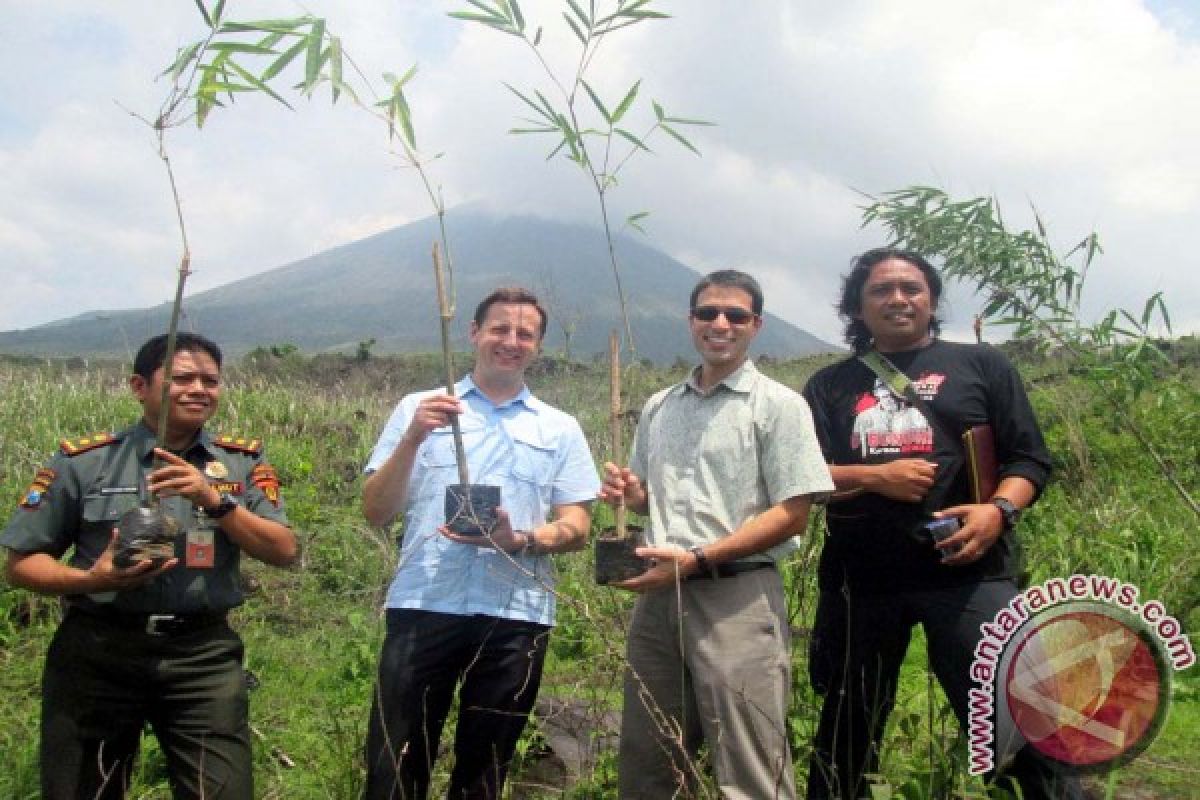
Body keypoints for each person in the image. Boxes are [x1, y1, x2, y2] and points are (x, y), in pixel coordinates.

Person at [802, 248, 1082, 799]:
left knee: (1015, 713)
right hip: (860, 580)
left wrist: (996, 511)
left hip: (971, 572)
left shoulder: (983, 366)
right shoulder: (828, 386)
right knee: (847, 727)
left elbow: (1030, 460)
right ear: (857, 309)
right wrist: (875, 477)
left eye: (912, 288)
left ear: (931, 301)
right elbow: (801, 477)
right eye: (881, 290)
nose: (899, 299)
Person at [0, 332, 298, 800]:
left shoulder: (239, 462)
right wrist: (91, 579)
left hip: (202, 656)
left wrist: (214, 501)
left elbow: (283, 550)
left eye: (210, 380)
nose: (199, 389)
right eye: (182, 378)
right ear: (140, 386)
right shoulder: (86, 462)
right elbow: (20, 564)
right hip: (98, 650)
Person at [600, 270, 834, 800]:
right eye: (707, 313)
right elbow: (650, 500)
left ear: (756, 325)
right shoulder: (661, 406)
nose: (720, 324)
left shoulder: (777, 405)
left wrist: (700, 558)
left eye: (735, 315)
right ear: (691, 322)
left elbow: (793, 512)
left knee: (748, 764)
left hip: (736, 596)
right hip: (660, 598)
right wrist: (631, 493)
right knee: (650, 759)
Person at [361, 287, 600, 800]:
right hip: (425, 603)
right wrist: (412, 439)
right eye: (500, 329)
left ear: (538, 346)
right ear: (473, 333)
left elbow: (577, 525)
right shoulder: (417, 409)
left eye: (525, 334)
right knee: (394, 760)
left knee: (486, 769)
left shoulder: (559, 428)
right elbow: (377, 510)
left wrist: (523, 539)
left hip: (516, 614)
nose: (511, 341)